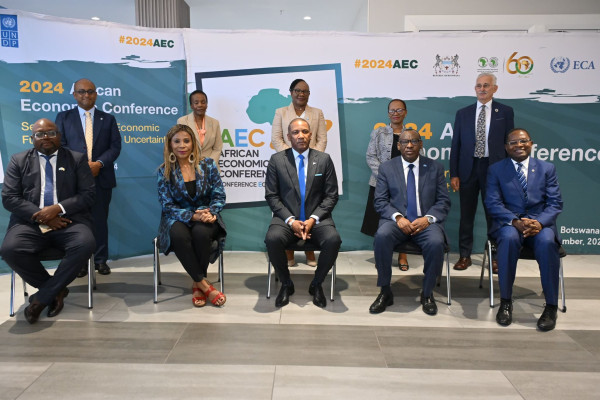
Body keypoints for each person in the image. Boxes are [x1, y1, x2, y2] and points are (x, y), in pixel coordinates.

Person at [0, 118, 96, 324]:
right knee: (10, 249)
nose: (46, 137)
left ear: (59, 136)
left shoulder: (76, 159)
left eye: (51, 133)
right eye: (40, 134)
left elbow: (87, 195)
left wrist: (57, 209)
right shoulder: (18, 160)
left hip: (69, 221)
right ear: (32, 138)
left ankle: (42, 298)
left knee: (85, 243)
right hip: (29, 223)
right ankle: (55, 290)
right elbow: (9, 198)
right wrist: (42, 216)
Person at [485, 128, 563, 331]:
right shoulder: (496, 170)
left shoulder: (547, 168)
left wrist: (539, 223)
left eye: (523, 141)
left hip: (540, 224)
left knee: (547, 242)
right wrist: (514, 221)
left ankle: (551, 307)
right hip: (510, 223)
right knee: (508, 239)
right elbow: (492, 203)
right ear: (506, 147)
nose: (518, 145)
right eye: (513, 142)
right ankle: (505, 302)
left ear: (531, 143)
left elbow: (555, 203)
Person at [369, 128, 450, 316]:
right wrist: (398, 217)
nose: (410, 145)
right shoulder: (387, 168)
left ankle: (427, 293)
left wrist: (428, 219)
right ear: (399, 146)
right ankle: (385, 291)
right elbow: (380, 201)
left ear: (421, 144)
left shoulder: (435, 167)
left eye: (414, 141)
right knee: (381, 236)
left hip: (426, 222)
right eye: (405, 142)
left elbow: (443, 201)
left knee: (436, 242)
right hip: (397, 222)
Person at [264, 118, 341, 308]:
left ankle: (316, 284)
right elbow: (272, 196)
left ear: (311, 135)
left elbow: (331, 195)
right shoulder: (277, 160)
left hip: (318, 219)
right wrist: (291, 221)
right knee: (272, 239)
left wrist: (313, 219)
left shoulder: (324, 160)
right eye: (296, 132)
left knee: (333, 240)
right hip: (286, 219)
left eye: (305, 132)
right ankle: (286, 283)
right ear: (288, 136)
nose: (301, 136)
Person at [55, 78, 121, 276]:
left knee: (100, 220)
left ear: (96, 94)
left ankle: (100, 260)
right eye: (82, 91)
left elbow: (115, 146)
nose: (86, 95)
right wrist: (82, 167)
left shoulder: (108, 119)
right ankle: (80, 262)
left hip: (101, 178)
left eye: (90, 91)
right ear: (74, 94)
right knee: (75, 222)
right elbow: (60, 146)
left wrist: (99, 164)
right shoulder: (64, 117)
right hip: (73, 180)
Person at [450, 73, 514, 273]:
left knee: (493, 215)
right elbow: (456, 145)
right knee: (466, 215)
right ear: (475, 88)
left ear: (495, 88)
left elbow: (510, 144)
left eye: (486, 85)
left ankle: (495, 257)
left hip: (494, 169)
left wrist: (507, 172)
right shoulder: (463, 113)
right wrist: (454, 174)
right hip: (468, 169)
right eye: (479, 85)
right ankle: (464, 255)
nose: (482, 89)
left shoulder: (505, 111)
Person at [157, 124, 227, 307]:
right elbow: (167, 205)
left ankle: (197, 284)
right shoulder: (164, 171)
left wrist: (211, 212)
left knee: (201, 233)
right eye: (177, 141)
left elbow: (219, 195)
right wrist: (192, 216)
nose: (182, 145)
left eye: (186, 141)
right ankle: (203, 284)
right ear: (170, 145)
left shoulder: (208, 165)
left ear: (193, 143)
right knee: (179, 235)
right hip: (176, 218)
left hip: (206, 214)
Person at [271, 79, 328, 268]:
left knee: (310, 201)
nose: (301, 94)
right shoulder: (280, 112)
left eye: (305, 91)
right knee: (289, 202)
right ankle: (289, 252)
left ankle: (309, 250)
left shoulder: (317, 113)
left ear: (309, 94)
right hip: (288, 163)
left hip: (311, 164)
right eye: (297, 90)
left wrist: (311, 157)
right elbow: (277, 138)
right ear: (291, 92)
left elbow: (321, 139)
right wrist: (292, 156)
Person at [362, 99, 410, 271]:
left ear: (405, 112)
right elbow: (370, 156)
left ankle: (403, 256)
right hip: (380, 184)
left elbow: (418, 156)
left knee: (404, 219)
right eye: (392, 110)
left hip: (404, 186)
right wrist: (385, 177)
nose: (395, 113)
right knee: (378, 222)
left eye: (399, 110)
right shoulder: (379, 132)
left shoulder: (411, 134)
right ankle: (382, 255)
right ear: (388, 113)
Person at [177, 89, 223, 166]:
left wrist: (209, 164)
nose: (200, 105)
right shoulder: (182, 121)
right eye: (196, 103)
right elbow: (181, 146)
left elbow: (218, 148)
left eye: (203, 102)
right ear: (191, 105)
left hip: (210, 167)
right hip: (189, 165)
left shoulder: (215, 123)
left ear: (207, 104)